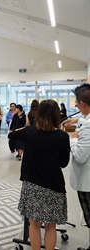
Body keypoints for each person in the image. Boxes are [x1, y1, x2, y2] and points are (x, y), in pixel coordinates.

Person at [9, 99, 70, 250]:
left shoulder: (30, 132)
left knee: (34, 223)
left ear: (38, 114)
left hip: (32, 185)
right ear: (56, 115)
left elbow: (11, 136)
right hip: (54, 186)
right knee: (51, 225)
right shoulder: (62, 137)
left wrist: (26, 128)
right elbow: (63, 163)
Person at [62, 83, 90, 250]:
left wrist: (73, 138)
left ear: (83, 104)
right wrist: (77, 119)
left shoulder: (87, 127)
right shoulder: (85, 120)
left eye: (77, 103)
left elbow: (80, 156)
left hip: (87, 183)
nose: (76, 106)